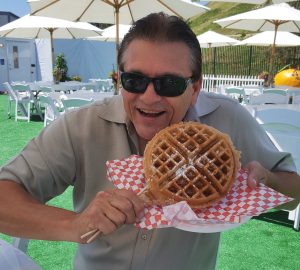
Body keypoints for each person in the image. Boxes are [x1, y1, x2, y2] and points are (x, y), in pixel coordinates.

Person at [0, 12, 300, 270]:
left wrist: (267, 179)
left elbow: (294, 191)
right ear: (119, 79)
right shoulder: (81, 126)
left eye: (169, 83)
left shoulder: (228, 121)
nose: (149, 97)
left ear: (194, 88)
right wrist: (75, 225)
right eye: (135, 80)